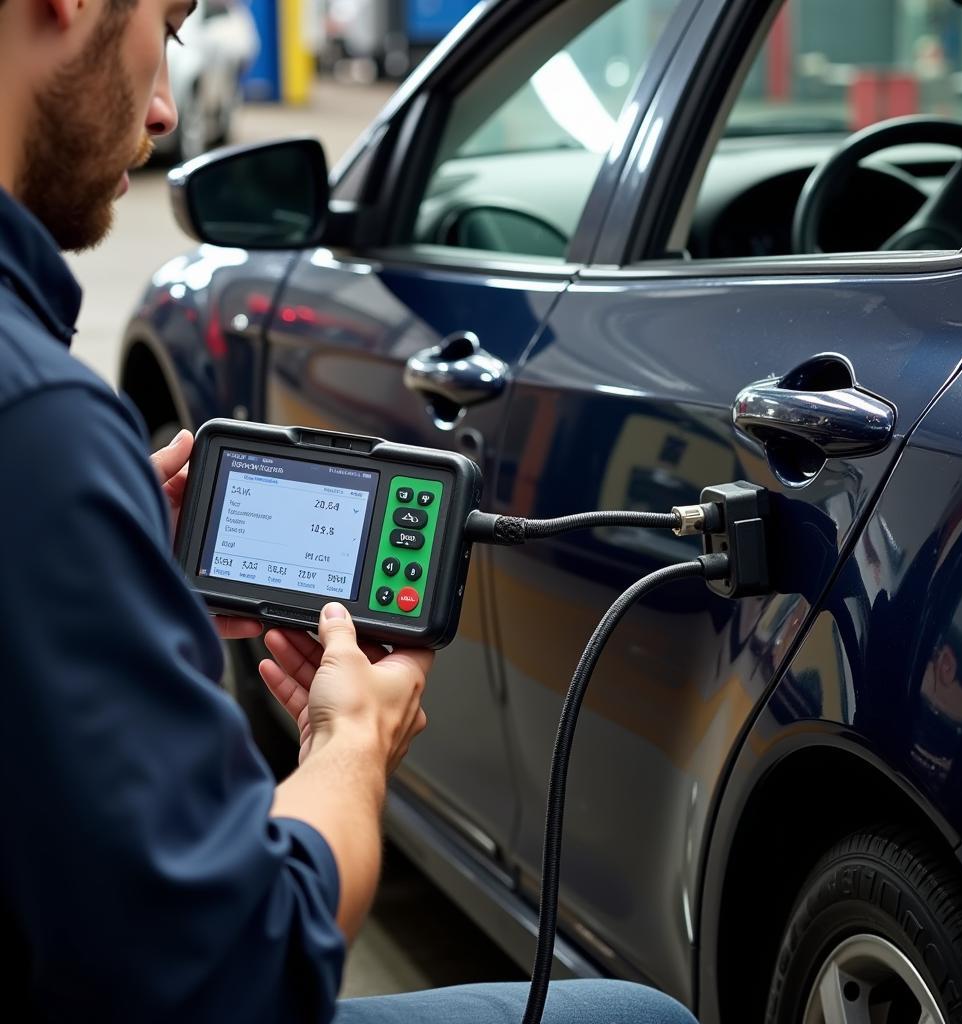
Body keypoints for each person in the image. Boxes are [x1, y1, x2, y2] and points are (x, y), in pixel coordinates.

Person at [0, 0, 699, 1020]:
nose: (162, 110)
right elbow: (243, 966)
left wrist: (78, 577)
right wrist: (351, 752)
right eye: (172, 22)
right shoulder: (39, 420)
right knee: (640, 1018)